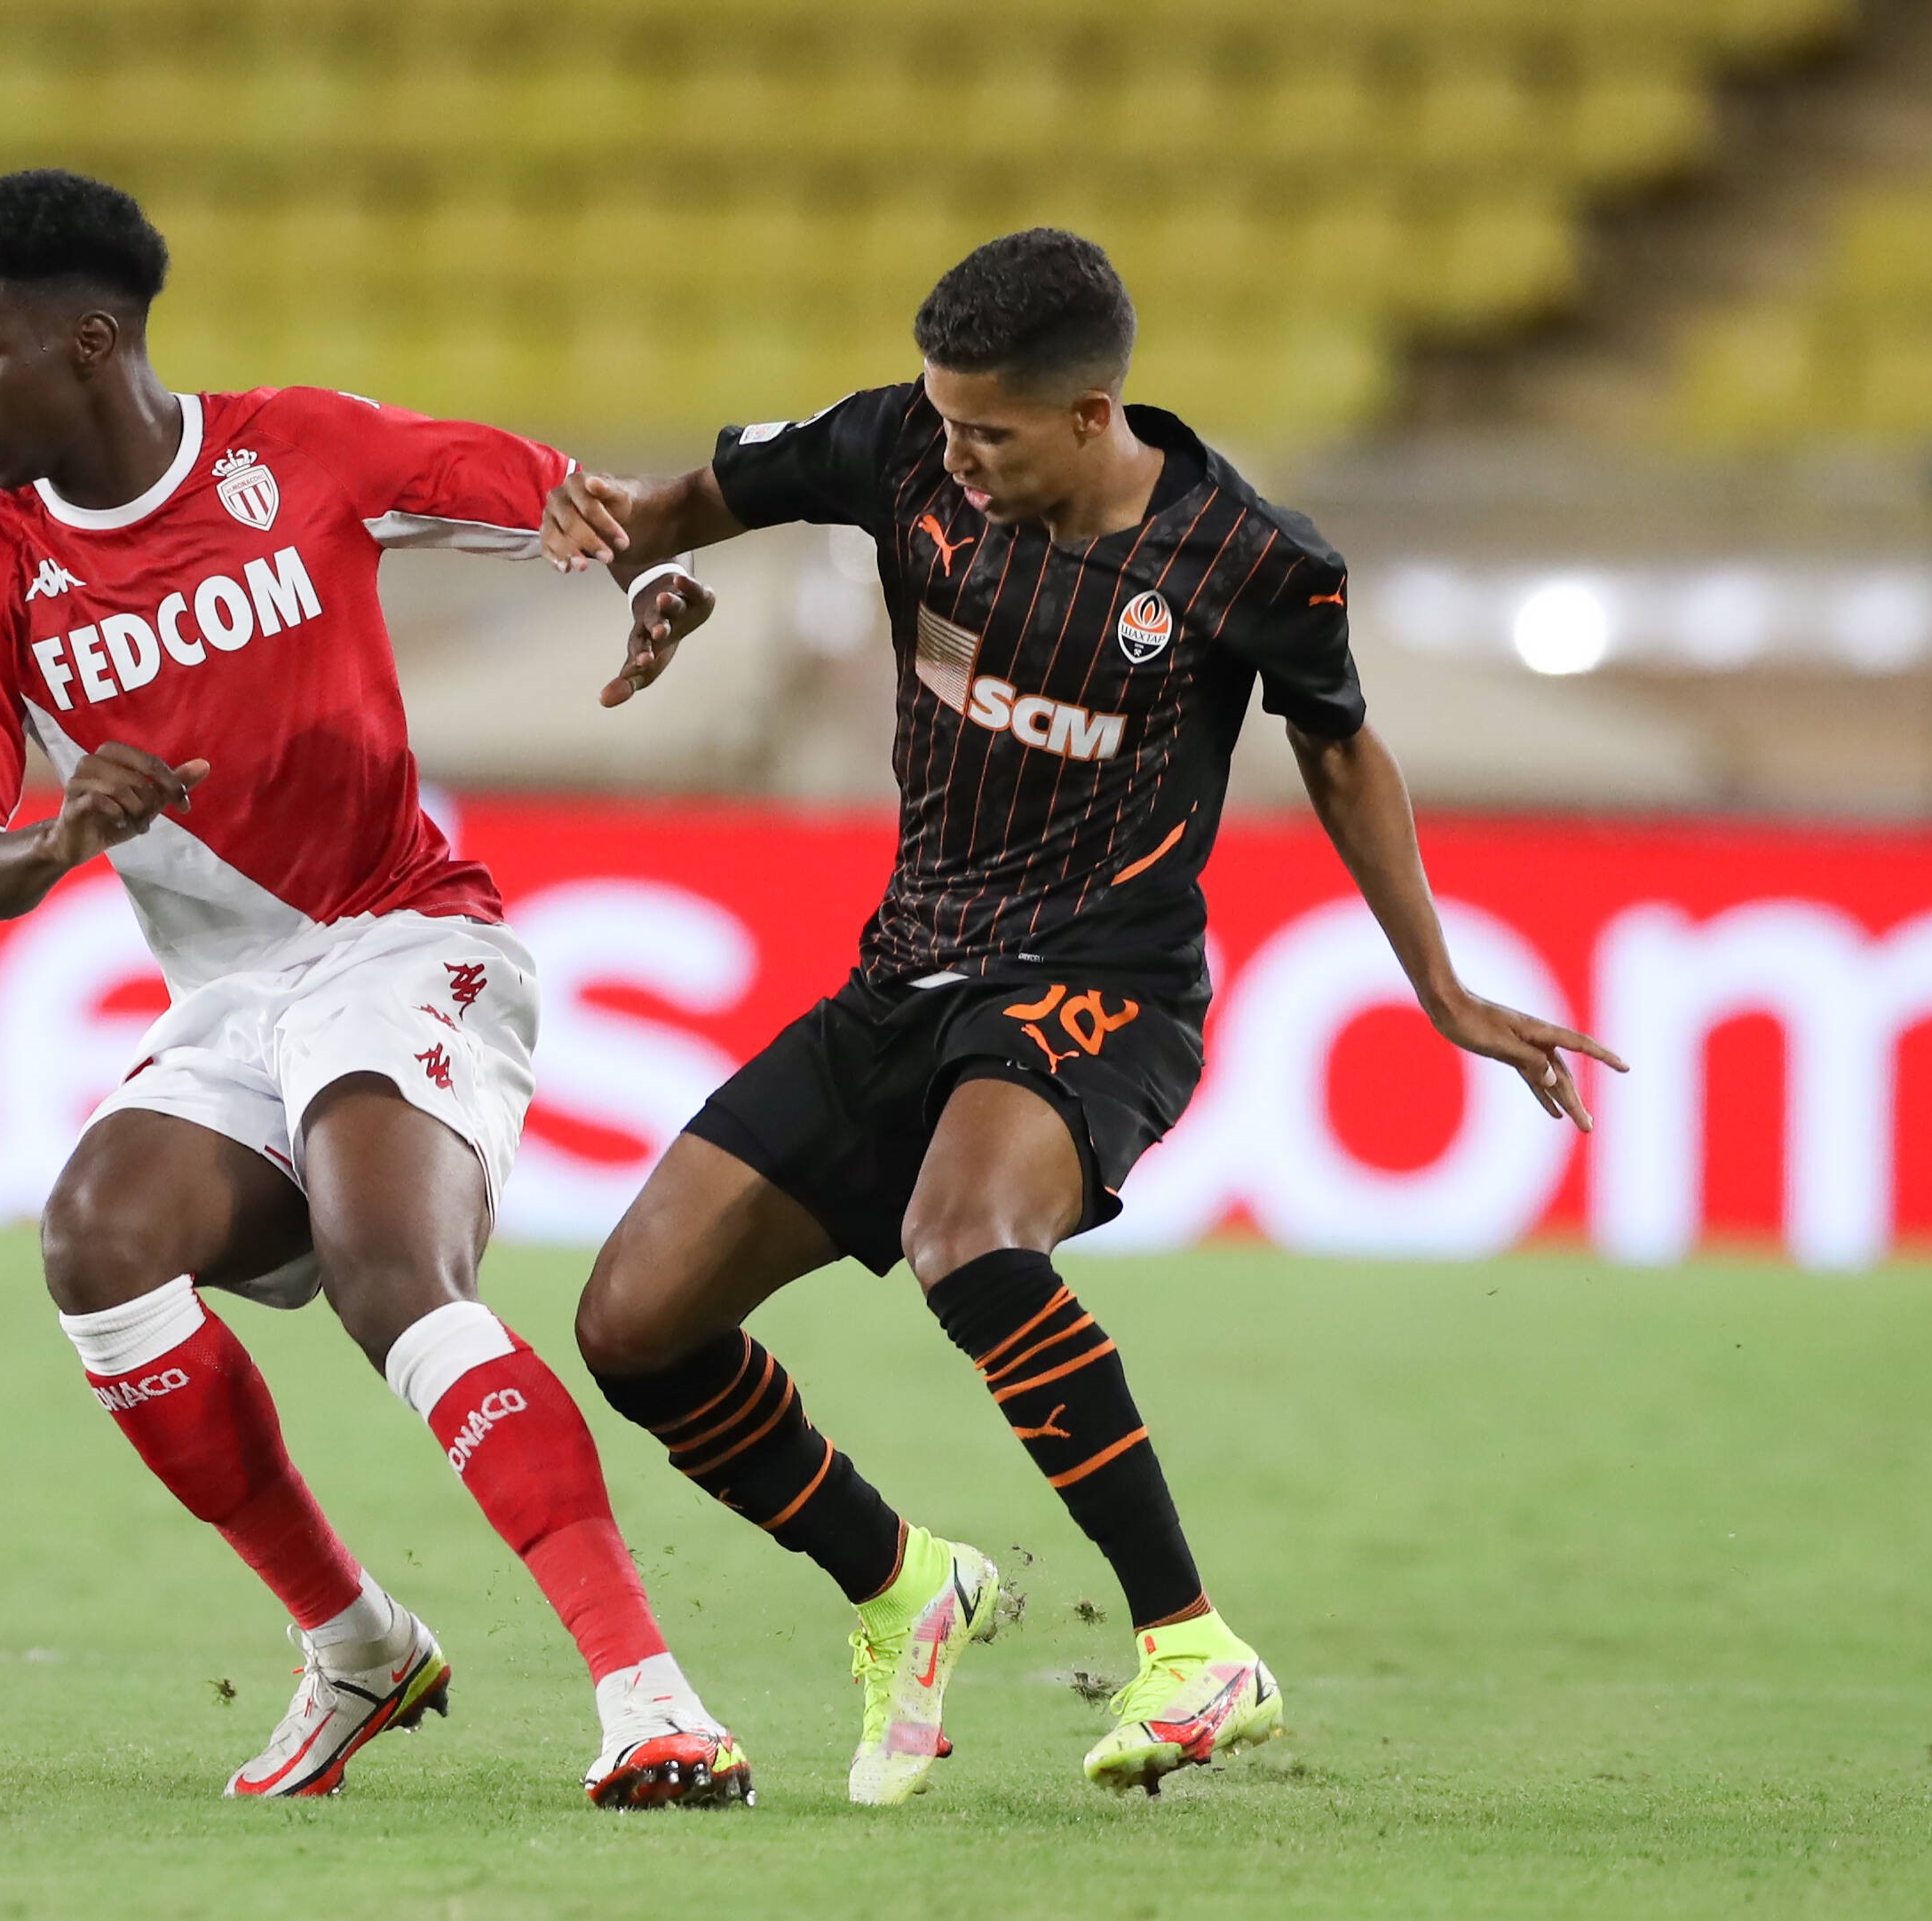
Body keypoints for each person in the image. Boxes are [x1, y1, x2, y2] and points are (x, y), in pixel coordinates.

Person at [540, 229, 1626, 1803]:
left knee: (968, 1234)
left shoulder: (1244, 558)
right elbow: (692, 499)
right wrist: (651, 566)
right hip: (904, 971)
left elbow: (1340, 748)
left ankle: (1191, 1641)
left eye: (987, 430)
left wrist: (1440, 982)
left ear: (1090, 412)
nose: (953, 454)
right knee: (632, 1325)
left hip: (1101, 984)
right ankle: (902, 1580)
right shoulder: (897, 446)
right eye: (944, 420)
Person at [0, 170, 750, 1807]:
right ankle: (355, 1640)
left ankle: (653, 1698)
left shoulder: (297, 449)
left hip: (401, 934)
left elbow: (572, 502)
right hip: (231, 999)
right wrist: (62, 832)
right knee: (99, 1243)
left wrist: (646, 578)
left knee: (388, 1267)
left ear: (89, 342)